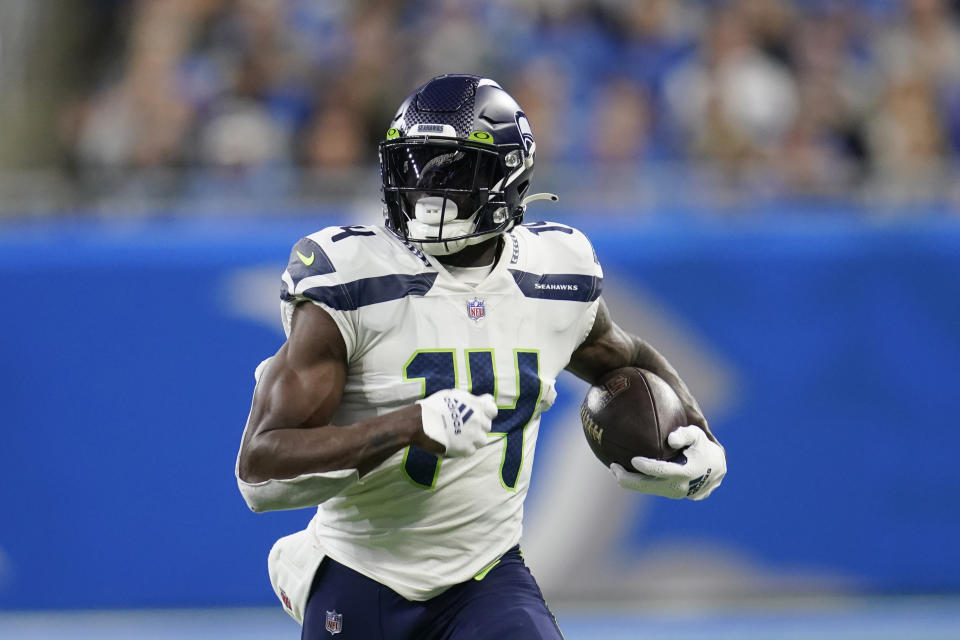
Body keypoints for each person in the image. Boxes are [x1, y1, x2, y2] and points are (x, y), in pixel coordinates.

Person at [235, 73, 726, 640]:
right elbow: (260, 470)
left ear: (506, 176)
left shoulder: (554, 271)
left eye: (452, 170)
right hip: (363, 569)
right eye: (414, 167)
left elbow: (623, 355)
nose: (426, 192)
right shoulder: (351, 276)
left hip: (485, 575)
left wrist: (695, 433)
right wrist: (407, 426)